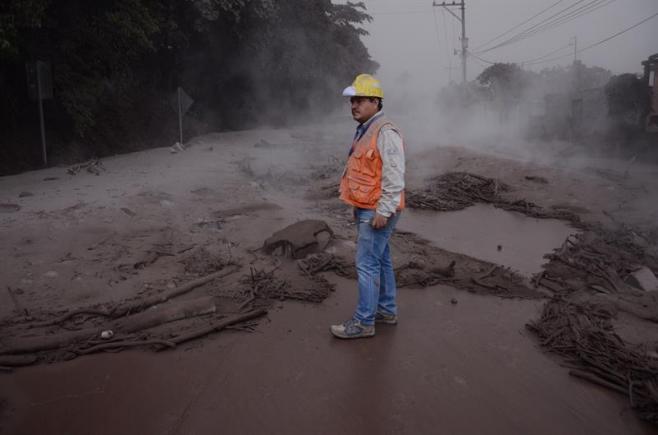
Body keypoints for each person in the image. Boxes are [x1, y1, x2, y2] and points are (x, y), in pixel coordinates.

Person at [330, 74, 406, 339]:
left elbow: (395, 176)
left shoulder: (385, 131)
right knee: (381, 260)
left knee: (366, 264)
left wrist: (383, 211)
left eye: (360, 100)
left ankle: (363, 322)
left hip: (377, 210)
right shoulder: (366, 128)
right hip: (369, 207)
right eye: (352, 101)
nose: (354, 105)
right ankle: (385, 311)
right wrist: (357, 204)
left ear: (376, 101)